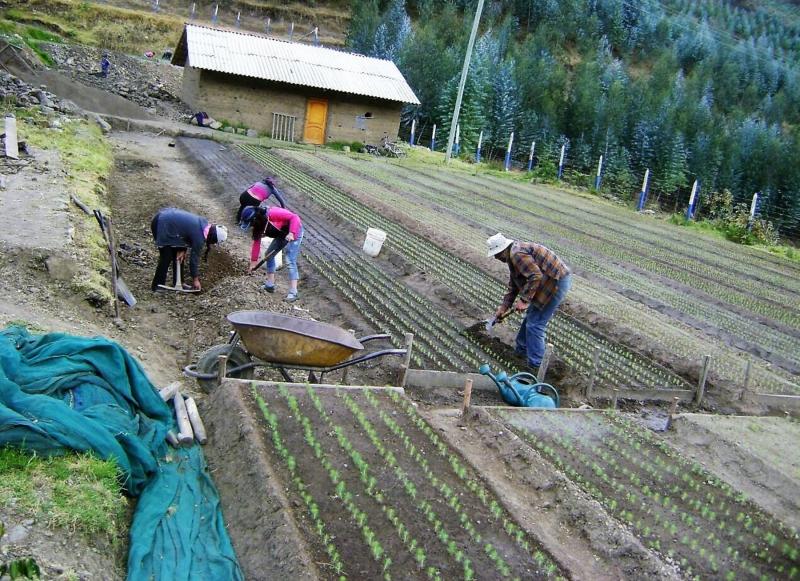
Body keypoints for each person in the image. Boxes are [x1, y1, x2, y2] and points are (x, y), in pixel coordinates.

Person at [487, 233, 571, 371]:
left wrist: (524, 300)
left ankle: (536, 366)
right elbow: (514, 284)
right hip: (547, 281)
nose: (496, 258)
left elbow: (535, 276)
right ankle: (520, 353)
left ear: (502, 250)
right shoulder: (513, 256)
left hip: (556, 281)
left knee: (535, 324)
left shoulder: (516, 254)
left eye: (496, 254)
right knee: (532, 318)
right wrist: (504, 307)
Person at [150, 208, 227, 292]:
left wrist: (183, 249)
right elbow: (194, 259)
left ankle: (179, 282)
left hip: (169, 224)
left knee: (179, 255)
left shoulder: (203, 226)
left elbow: (186, 232)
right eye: (214, 242)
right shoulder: (199, 237)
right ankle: (157, 285)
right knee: (166, 256)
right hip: (162, 223)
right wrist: (195, 279)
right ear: (212, 237)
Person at [248, 206, 303, 302]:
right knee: (269, 254)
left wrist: (291, 233)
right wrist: (253, 263)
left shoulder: (272, 213)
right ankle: (270, 285)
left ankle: (294, 292)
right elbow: (256, 244)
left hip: (294, 230)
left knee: (290, 259)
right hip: (282, 234)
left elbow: (295, 217)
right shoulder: (259, 225)